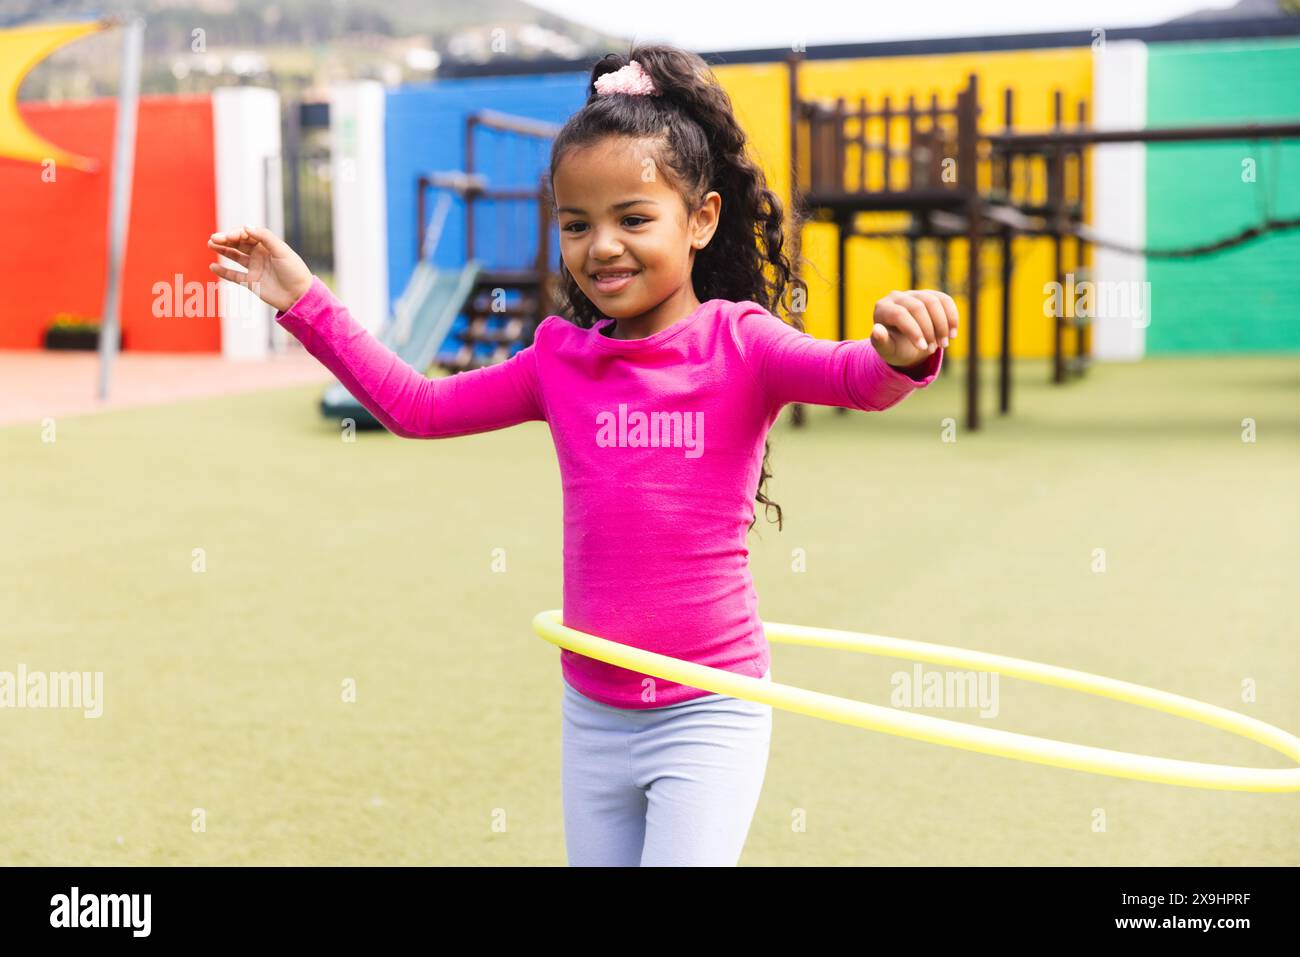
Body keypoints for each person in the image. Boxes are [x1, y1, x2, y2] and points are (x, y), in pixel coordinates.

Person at [207, 43, 957, 867]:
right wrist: (305, 301)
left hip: (710, 708)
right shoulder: (559, 362)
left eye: (634, 218)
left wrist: (902, 351)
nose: (603, 246)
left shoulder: (741, 345)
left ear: (700, 219)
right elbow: (417, 408)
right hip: (593, 712)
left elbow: (856, 376)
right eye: (577, 224)